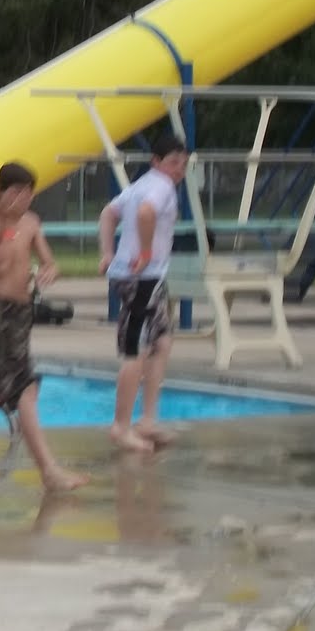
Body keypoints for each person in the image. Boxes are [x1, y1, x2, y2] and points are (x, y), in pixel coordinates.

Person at [0, 162, 89, 493]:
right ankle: (49, 470)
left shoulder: (33, 222)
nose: (25, 199)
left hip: (23, 312)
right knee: (25, 388)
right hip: (0, 312)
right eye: (18, 192)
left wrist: (49, 270)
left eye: (29, 193)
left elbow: (49, 261)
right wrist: (10, 229)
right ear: (2, 192)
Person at [98, 133, 190, 454]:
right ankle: (121, 427)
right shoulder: (160, 187)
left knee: (161, 341)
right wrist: (147, 251)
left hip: (146, 278)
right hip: (141, 278)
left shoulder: (139, 185)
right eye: (174, 163)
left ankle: (148, 419)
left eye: (184, 164)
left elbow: (108, 213)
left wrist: (107, 253)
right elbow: (146, 214)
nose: (179, 170)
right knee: (136, 349)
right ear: (156, 161)